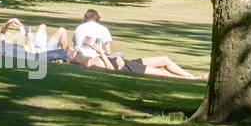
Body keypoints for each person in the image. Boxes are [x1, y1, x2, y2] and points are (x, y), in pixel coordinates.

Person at [71, 39, 204, 79]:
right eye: (76, 54)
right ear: (78, 62)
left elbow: (113, 58)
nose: (78, 52)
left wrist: (117, 57)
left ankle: (192, 76)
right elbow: (112, 71)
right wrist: (101, 53)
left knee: (165, 59)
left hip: (128, 62)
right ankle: (196, 79)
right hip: (128, 69)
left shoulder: (91, 58)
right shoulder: (90, 66)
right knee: (165, 74)